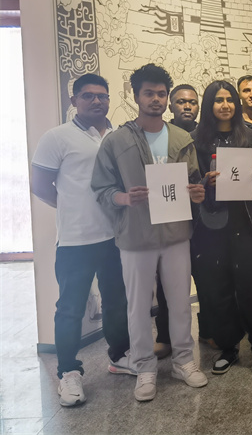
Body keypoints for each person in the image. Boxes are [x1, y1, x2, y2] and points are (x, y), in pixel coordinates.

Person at [91, 64, 208, 401]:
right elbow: (101, 188)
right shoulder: (117, 141)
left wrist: (197, 193)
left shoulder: (182, 138)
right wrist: (124, 198)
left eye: (161, 94)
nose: (156, 99)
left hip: (176, 233)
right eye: (149, 93)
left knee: (181, 302)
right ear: (135, 96)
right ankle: (144, 367)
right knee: (138, 305)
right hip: (135, 235)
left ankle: (183, 361)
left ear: (167, 98)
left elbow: (193, 182)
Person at [31, 73, 132, 407]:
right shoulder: (56, 137)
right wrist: (71, 207)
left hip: (115, 236)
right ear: (74, 101)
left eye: (102, 96)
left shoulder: (118, 136)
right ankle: (68, 373)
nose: (96, 101)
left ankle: (119, 356)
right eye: (88, 96)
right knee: (70, 309)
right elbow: (40, 185)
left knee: (116, 302)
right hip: (75, 241)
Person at [193, 80, 252, 375]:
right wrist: (204, 183)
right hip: (211, 225)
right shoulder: (197, 140)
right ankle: (228, 347)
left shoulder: (250, 138)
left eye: (229, 99)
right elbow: (189, 182)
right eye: (219, 100)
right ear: (209, 105)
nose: (225, 105)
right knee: (219, 289)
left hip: (245, 223)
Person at [156, 84, 203, 359]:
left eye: (192, 102)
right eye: (181, 102)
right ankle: (165, 337)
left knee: (206, 280)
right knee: (167, 285)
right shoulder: (162, 136)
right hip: (170, 219)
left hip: (203, 220)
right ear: (171, 105)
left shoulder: (205, 134)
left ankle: (208, 329)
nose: (187, 106)